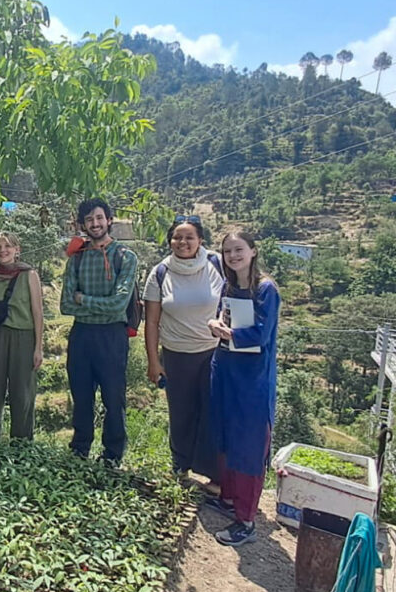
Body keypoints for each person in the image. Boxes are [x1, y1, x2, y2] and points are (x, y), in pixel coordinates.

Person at [204, 231, 280, 547]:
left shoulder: (266, 290)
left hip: (252, 380)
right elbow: (223, 319)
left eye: (238, 250)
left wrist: (228, 332)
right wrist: (215, 325)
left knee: (248, 445)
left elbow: (260, 334)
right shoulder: (229, 285)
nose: (233, 256)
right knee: (226, 436)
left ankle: (246, 520)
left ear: (253, 251)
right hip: (226, 371)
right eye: (227, 251)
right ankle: (230, 498)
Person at [143, 215, 225, 483]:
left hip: (214, 353)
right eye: (177, 237)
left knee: (213, 412)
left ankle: (214, 474)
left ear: (201, 240)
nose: (183, 242)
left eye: (189, 237)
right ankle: (181, 468)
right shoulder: (160, 272)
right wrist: (154, 361)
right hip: (176, 354)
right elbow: (152, 321)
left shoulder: (217, 264)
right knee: (180, 413)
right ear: (170, 241)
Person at [60, 198, 137, 465]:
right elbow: (66, 304)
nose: (95, 223)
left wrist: (84, 300)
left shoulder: (125, 257)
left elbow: (119, 305)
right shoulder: (77, 259)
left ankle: (112, 455)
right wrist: (91, 304)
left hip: (112, 336)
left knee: (113, 397)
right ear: (83, 224)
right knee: (81, 395)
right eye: (89, 219)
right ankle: (80, 448)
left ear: (109, 220)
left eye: (99, 218)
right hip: (81, 334)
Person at [0, 232, 43, 440]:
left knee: (22, 392)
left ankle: (21, 443)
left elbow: (37, 312)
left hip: (24, 336)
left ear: (17, 249)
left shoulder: (29, 274)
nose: (3, 250)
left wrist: (39, 347)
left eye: (8, 246)